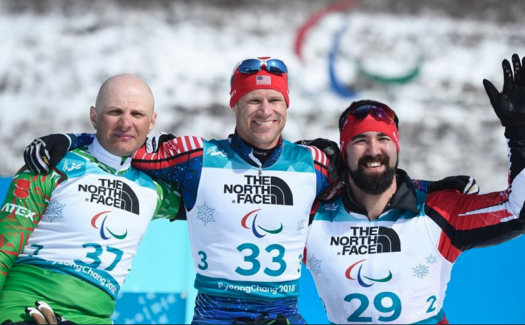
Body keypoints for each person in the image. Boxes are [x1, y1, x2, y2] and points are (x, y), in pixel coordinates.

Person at [21, 57, 477, 324]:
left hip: (281, 314)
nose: (264, 110)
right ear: (234, 103)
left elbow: (375, 172)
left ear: (287, 106)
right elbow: (124, 141)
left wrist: (431, 189)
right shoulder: (195, 154)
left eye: (274, 100)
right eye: (253, 100)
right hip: (216, 313)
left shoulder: (315, 161)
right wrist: (71, 141)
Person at [304, 54, 525, 324]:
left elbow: (518, 210)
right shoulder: (312, 217)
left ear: (397, 148)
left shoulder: (438, 211)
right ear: (344, 151)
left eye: (383, 139)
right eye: (360, 140)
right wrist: (310, 163)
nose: (373, 151)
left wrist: (520, 133)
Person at [0, 74, 181, 324]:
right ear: (94, 116)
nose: (125, 123)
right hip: (25, 304)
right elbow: (3, 248)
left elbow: (222, 196)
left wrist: (181, 157)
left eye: (137, 114)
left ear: (152, 122)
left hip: (96, 316)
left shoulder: (156, 188)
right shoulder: (50, 164)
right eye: (115, 111)